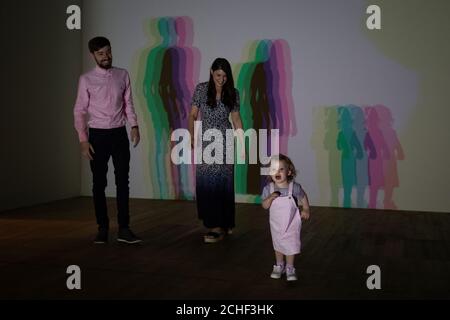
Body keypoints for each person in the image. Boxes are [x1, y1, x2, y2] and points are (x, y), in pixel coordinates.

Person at [73, 36, 142, 244]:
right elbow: (79, 111)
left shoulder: (122, 74)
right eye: (101, 53)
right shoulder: (86, 79)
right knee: (98, 183)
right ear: (93, 55)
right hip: (97, 135)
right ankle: (102, 228)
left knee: (123, 181)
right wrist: (83, 140)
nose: (106, 56)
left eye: (108, 51)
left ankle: (124, 228)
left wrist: (135, 126)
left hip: (119, 133)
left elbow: (128, 103)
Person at [188, 58, 244, 243]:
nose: (221, 79)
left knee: (224, 182)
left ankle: (223, 224)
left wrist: (242, 140)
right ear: (212, 72)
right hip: (206, 139)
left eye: (225, 76)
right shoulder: (201, 89)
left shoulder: (232, 92)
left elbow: (236, 119)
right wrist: (191, 134)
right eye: (218, 75)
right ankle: (214, 224)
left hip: (225, 139)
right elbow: (193, 114)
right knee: (207, 181)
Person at [261, 154, 310, 281]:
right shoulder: (268, 189)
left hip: (292, 222)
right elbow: (265, 206)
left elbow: (303, 197)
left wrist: (306, 208)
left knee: (291, 245)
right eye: (274, 169)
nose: (277, 172)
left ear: (289, 172)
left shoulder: (294, 187)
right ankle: (279, 265)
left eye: (281, 169)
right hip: (276, 224)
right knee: (278, 245)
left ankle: (290, 267)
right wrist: (270, 198)